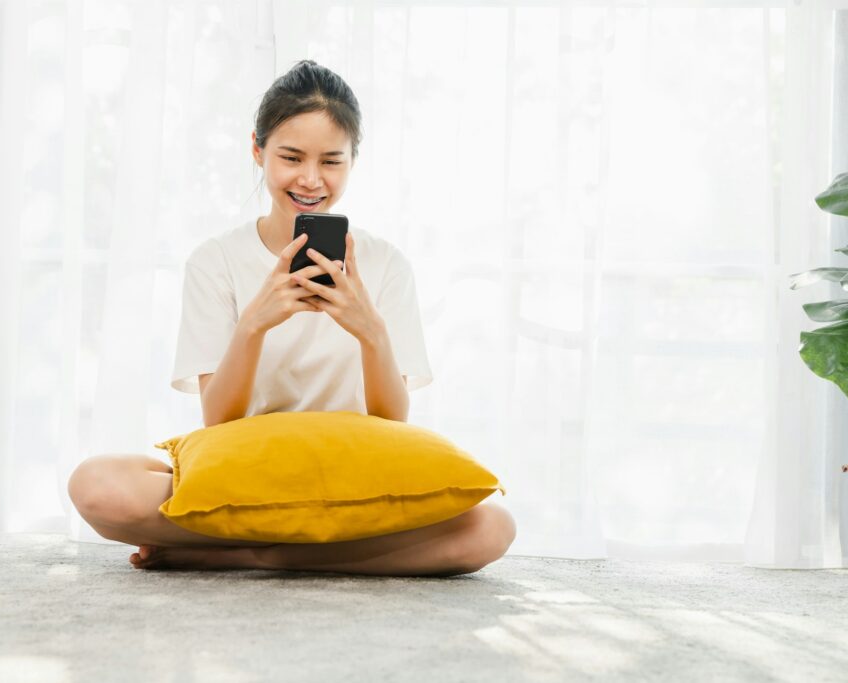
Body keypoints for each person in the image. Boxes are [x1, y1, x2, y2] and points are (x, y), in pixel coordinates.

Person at [67, 60, 515, 576]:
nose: (310, 178)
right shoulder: (215, 261)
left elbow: (393, 427)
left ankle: (256, 554)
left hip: (355, 484)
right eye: (291, 156)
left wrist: (369, 331)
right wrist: (255, 322)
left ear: (352, 162)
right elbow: (220, 423)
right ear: (257, 151)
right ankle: (312, 554)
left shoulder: (386, 265)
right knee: (96, 485)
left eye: (331, 161)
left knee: (492, 527)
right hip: (247, 479)